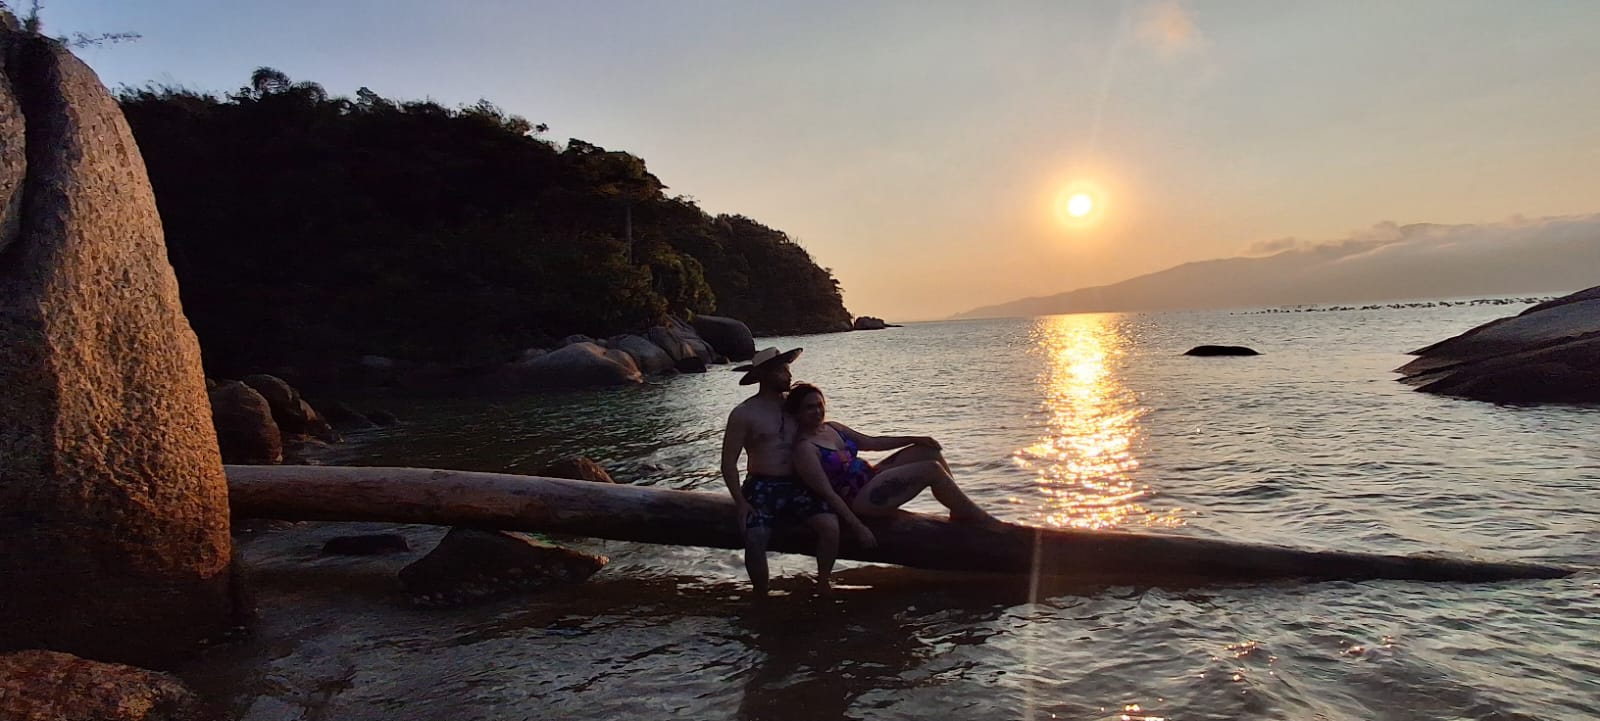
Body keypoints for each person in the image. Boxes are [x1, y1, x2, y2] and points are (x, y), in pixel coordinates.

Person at [720, 347, 875, 597]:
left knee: (830, 527)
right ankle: (761, 595)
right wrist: (740, 502)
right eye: (782, 369)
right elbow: (728, 463)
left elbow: (823, 435)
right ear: (764, 374)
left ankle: (823, 583)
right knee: (756, 537)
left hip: (800, 484)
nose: (788, 374)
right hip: (762, 486)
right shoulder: (744, 413)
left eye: (788, 368)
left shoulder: (796, 407)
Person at [785, 383, 995, 526]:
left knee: (928, 451)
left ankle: (957, 511)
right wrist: (859, 528)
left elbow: (872, 443)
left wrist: (915, 438)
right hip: (858, 500)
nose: (817, 411)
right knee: (932, 470)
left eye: (820, 405)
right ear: (797, 413)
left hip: (870, 477)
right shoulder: (804, 448)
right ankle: (982, 520)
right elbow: (827, 494)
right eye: (809, 408)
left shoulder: (833, 427)